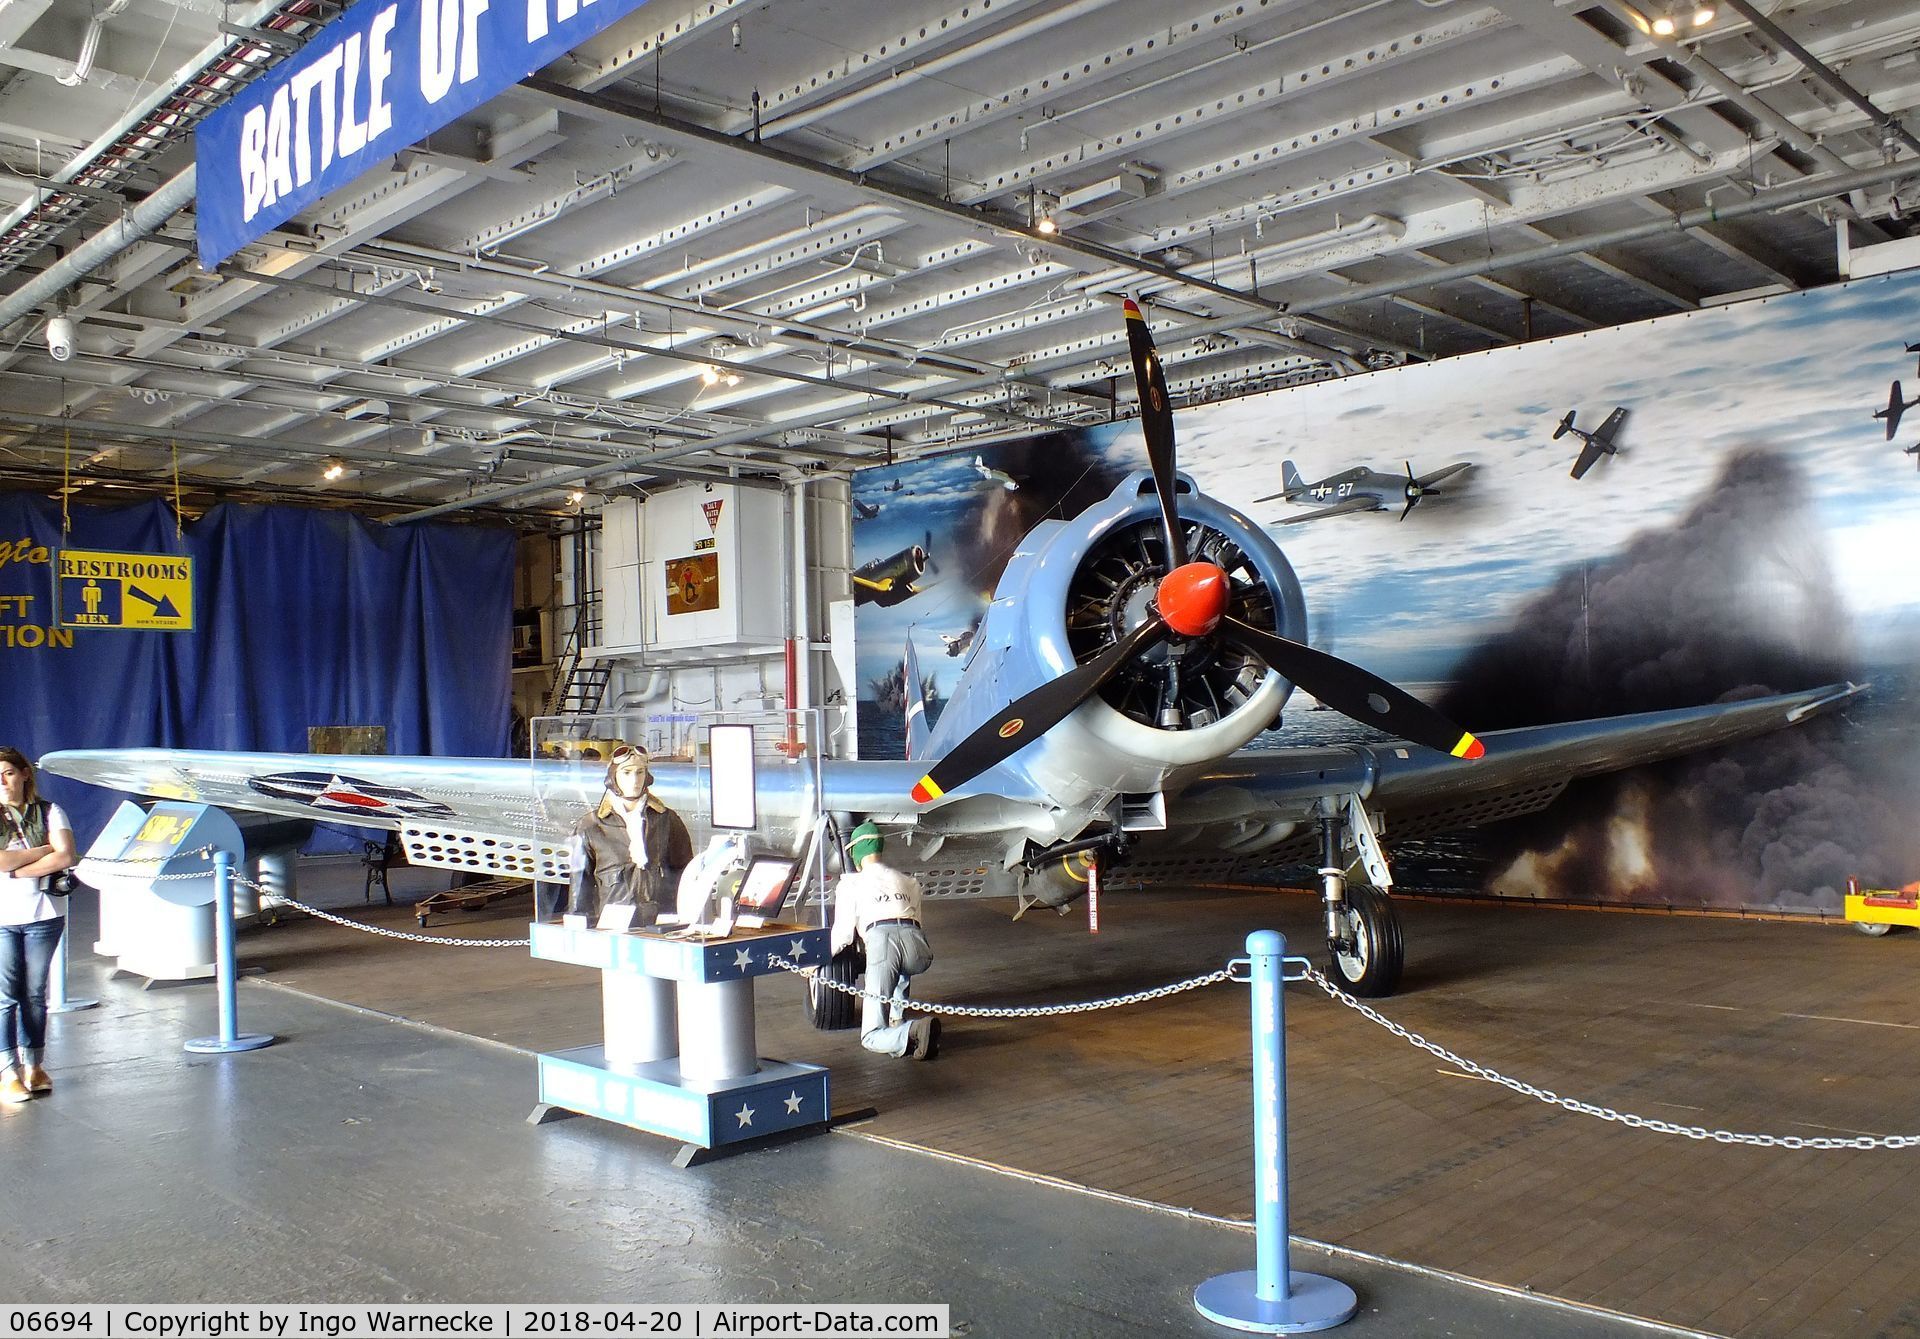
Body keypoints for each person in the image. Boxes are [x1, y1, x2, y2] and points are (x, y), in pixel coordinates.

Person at [0, 747, 77, 1104]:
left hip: (44, 915)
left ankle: (35, 1065)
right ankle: (7, 1072)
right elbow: (1, 861)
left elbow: (65, 855)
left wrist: (16, 868)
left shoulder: (49, 811)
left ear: (24, 774)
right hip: (3, 918)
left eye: (8, 772)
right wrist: (39, 852)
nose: (3, 781)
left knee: (34, 993)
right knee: (5, 996)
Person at [830, 821, 938, 1060]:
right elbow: (916, 922)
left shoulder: (850, 883)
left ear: (855, 853)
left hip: (882, 942)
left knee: (870, 1035)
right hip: (917, 948)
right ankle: (898, 1019)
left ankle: (912, 1030)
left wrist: (814, 961)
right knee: (901, 970)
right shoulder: (909, 881)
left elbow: (844, 935)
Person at [566, 744, 691, 928]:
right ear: (613, 777)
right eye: (626, 772)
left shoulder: (667, 820)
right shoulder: (591, 826)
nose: (635, 780)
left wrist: (684, 917)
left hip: (660, 927)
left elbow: (685, 873)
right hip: (613, 927)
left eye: (640, 772)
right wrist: (577, 926)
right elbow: (579, 884)